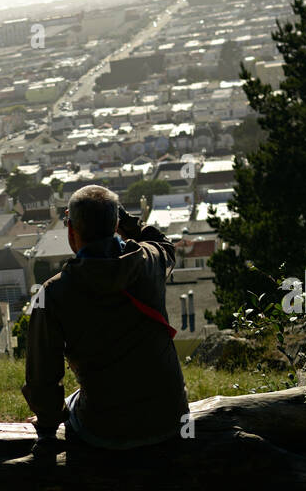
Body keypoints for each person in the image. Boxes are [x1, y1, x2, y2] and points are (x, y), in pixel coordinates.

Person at [21, 184, 189, 461]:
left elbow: (42, 377)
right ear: (116, 224)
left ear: (70, 229)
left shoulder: (52, 293)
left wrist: (48, 424)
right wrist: (128, 222)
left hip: (106, 431)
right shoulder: (148, 261)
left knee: (76, 399)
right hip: (172, 418)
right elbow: (165, 244)